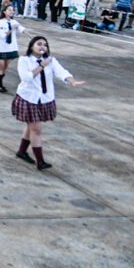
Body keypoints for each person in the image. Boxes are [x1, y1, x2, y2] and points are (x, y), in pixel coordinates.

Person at [11, 36, 86, 171]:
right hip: (29, 99)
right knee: (36, 129)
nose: (42, 47)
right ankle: (40, 161)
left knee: (31, 127)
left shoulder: (51, 61)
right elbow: (26, 78)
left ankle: (21, 151)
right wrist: (41, 66)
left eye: (45, 45)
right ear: (31, 46)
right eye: (39, 44)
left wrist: (72, 81)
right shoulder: (24, 60)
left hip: (44, 99)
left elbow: (61, 72)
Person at [0, 5, 26, 93]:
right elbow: (1, 35)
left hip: (11, 48)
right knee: (1, 66)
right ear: (4, 11)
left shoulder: (14, 21)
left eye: (13, 10)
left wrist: (32, 37)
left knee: (5, 67)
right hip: (1, 48)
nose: (11, 11)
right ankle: (0, 84)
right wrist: (12, 29)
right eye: (9, 10)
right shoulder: (0, 23)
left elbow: (22, 29)